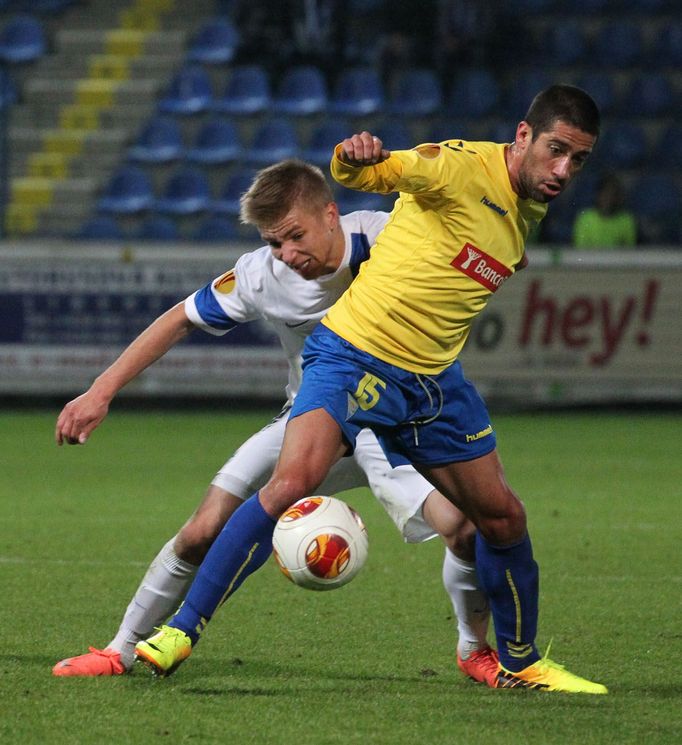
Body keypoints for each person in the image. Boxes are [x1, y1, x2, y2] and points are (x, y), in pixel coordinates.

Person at [135, 85, 609, 695]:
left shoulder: (528, 207)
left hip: (433, 382)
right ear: (523, 136)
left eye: (578, 160)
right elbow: (381, 169)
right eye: (555, 150)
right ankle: (180, 630)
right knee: (290, 484)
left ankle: (520, 663)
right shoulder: (458, 166)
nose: (564, 170)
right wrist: (353, 158)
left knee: (503, 518)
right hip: (350, 357)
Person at [52, 160, 497, 686]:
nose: (287, 254)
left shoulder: (387, 239)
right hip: (307, 425)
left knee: (469, 529)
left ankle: (475, 651)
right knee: (201, 533)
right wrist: (100, 390)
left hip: (393, 425)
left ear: (331, 215)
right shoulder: (262, 273)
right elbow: (178, 318)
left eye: (294, 236)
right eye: (274, 241)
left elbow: (457, 246)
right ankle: (119, 650)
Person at [572, 171, 637, 248]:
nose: (608, 199)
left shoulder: (627, 220)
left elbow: (630, 253)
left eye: (612, 195)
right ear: (598, 195)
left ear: (618, 197)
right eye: (605, 194)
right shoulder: (585, 218)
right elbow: (579, 252)